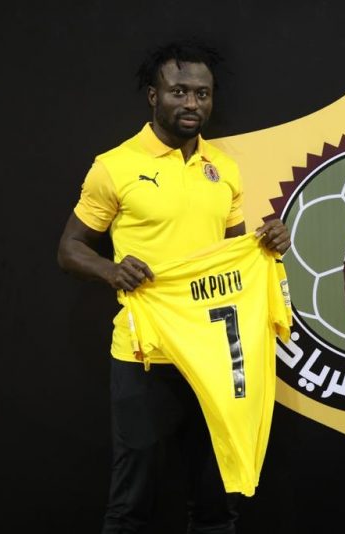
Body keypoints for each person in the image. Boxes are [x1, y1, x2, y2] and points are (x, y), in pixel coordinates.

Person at [57, 40, 290, 534]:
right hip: (145, 353)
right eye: (179, 91)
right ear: (153, 96)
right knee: (132, 504)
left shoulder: (223, 168)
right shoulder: (115, 166)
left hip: (214, 355)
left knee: (216, 503)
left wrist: (266, 244)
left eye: (202, 94)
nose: (192, 103)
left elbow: (230, 255)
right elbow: (69, 248)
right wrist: (111, 270)